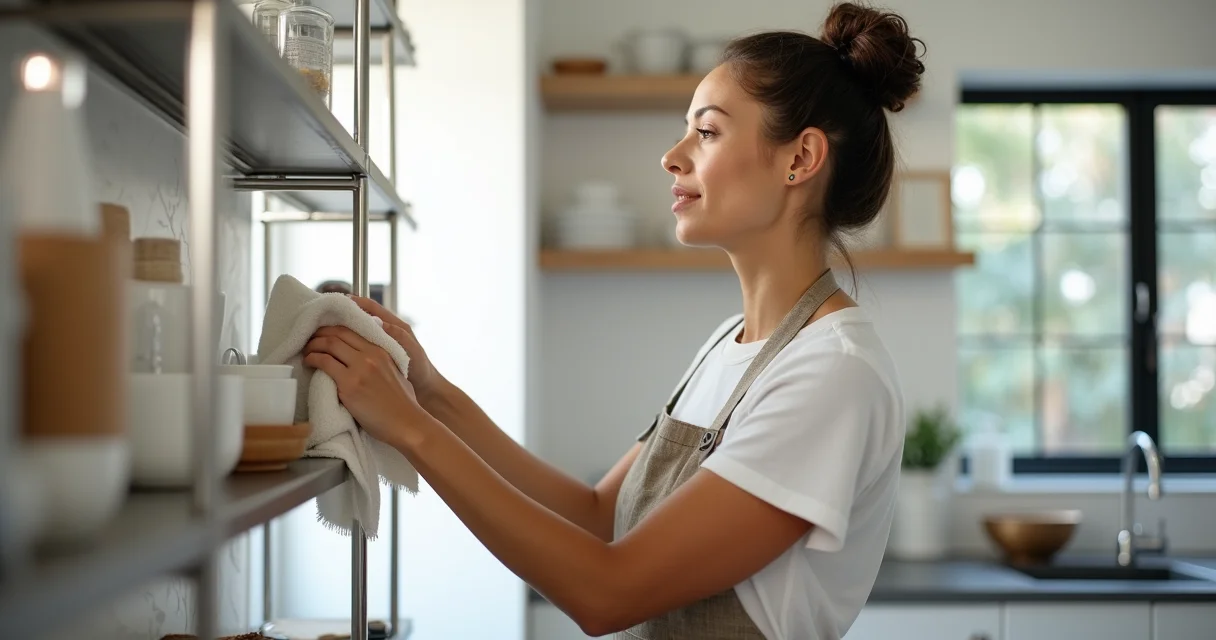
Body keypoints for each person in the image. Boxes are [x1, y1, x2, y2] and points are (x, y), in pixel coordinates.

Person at [301, 3, 922, 638]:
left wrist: (408, 429)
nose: (672, 157)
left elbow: (608, 591)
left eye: (706, 132)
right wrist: (429, 393)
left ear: (801, 158)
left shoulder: (832, 374)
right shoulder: (728, 345)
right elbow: (598, 514)